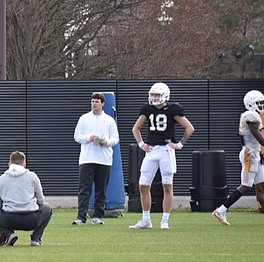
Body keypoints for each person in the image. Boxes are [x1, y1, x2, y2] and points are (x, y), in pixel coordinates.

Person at [212, 90, 264, 226]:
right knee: (246, 186)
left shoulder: (251, 116)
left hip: (255, 153)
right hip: (250, 154)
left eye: (262, 102)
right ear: (250, 104)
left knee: (260, 186)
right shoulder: (251, 116)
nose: (261, 105)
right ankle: (221, 210)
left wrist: (260, 153)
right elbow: (261, 140)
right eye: (258, 103)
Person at [130, 82, 194, 230]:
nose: (154, 97)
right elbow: (136, 128)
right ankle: (146, 220)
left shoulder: (173, 110)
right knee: (143, 186)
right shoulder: (147, 109)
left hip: (166, 150)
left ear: (165, 95)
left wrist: (179, 144)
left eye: (157, 94)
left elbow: (189, 128)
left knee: (167, 186)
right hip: (151, 150)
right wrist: (141, 144)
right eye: (153, 94)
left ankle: (165, 220)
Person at [0, 151, 53, 247]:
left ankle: (8, 235)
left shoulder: (0, 179)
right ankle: (35, 238)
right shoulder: (33, 176)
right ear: (24, 163)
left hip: (9, 220)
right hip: (31, 220)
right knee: (48, 208)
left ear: (9, 163)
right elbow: (41, 201)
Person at [72, 92, 120, 226]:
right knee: (84, 189)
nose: (94, 104)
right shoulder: (84, 118)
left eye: (97, 101)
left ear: (103, 103)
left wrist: (106, 142)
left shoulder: (109, 120)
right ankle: (81, 216)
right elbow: (77, 136)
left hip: (104, 159)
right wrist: (89, 138)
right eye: (92, 101)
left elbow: (115, 138)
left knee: (101, 189)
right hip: (87, 159)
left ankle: (98, 215)